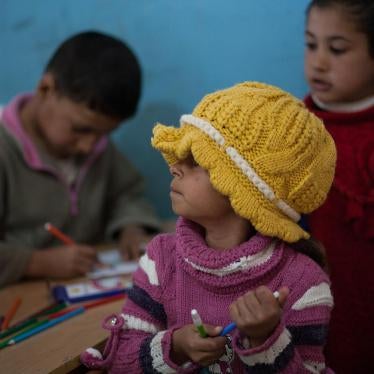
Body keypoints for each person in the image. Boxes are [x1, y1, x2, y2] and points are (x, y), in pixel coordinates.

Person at [81, 82, 336, 373]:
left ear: (245, 193)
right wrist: (174, 346)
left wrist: (265, 338)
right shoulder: (161, 258)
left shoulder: (303, 283)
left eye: (195, 160)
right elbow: (121, 360)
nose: (174, 166)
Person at [0, 31, 161, 287]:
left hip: (86, 292)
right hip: (24, 301)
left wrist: (131, 227)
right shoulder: (4, 151)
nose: (90, 145)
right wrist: (37, 262)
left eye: (105, 134)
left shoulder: (97, 146)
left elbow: (126, 194)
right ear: (46, 89)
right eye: (81, 129)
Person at [304, 1, 374, 372]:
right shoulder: (294, 124)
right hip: (320, 306)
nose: (318, 62)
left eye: (337, 49)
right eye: (311, 44)